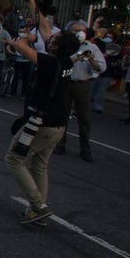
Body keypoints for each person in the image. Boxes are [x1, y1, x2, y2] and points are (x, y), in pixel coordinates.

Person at [3, 0, 80, 225]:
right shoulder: (66, 61)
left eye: (54, 40)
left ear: (55, 47)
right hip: (58, 122)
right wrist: (35, 7)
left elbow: (20, 46)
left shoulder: (49, 62)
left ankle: (39, 205)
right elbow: (47, 30)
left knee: (14, 159)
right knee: (40, 165)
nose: (50, 38)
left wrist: (26, 37)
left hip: (41, 122)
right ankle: (37, 212)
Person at [56, 25, 104, 162]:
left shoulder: (92, 48)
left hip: (82, 84)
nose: (78, 33)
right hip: (66, 82)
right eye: (75, 31)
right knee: (62, 115)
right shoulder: (65, 46)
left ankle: (85, 149)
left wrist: (91, 59)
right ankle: (60, 144)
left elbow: (100, 68)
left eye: (81, 30)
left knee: (84, 118)